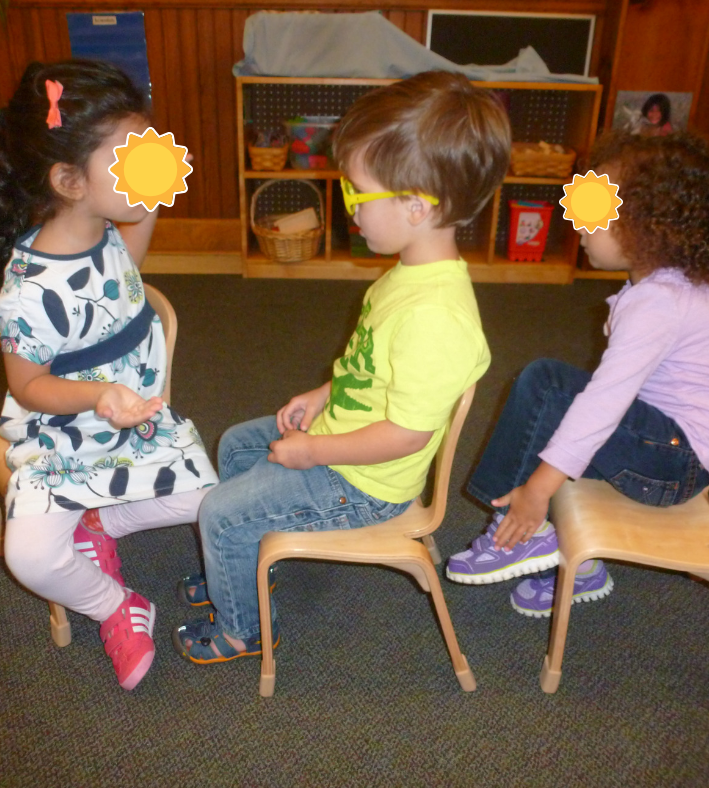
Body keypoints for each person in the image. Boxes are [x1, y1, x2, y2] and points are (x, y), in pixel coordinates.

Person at [170, 70, 511, 663]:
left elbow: (407, 433)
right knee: (237, 446)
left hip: (367, 483)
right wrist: (324, 393)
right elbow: (371, 366)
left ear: (414, 206)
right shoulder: (409, 275)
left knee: (219, 512)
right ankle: (243, 569)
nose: (345, 204)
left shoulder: (436, 317)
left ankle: (242, 631)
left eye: (356, 192)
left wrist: (315, 452)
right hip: (346, 441)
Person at [0, 60, 218, 690]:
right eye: (128, 158)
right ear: (70, 180)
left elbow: (124, 271)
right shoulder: (26, 289)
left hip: (135, 418)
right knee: (29, 557)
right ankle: (113, 605)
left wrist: (149, 196)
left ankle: (100, 522)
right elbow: (26, 386)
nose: (142, 165)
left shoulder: (107, 228)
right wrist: (99, 395)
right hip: (65, 429)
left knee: (209, 503)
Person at [446, 131, 709, 618]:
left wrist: (537, 490)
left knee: (549, 387)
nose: (578, 222)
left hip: (675, 463)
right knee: (556, 403)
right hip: (669, 446)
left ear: (650, 227)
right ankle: (568, 565)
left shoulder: (659, 304)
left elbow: (604, 402)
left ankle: (518, 524)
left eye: (597, 209)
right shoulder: (664, 287)